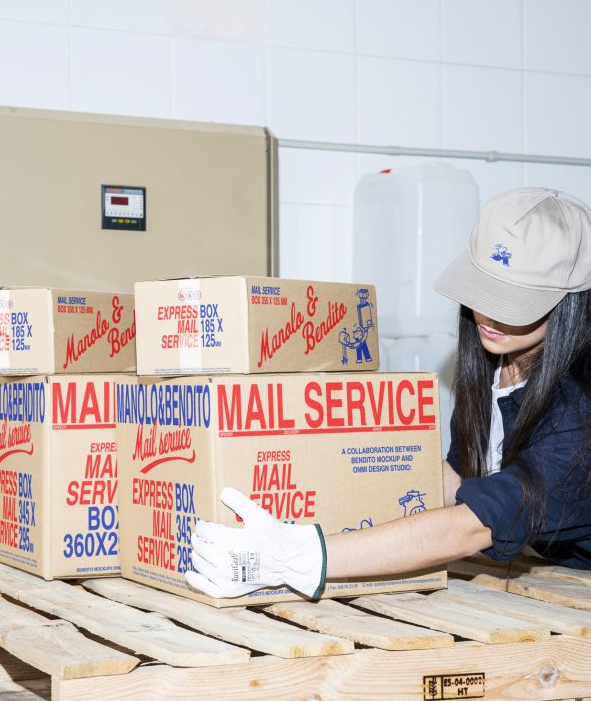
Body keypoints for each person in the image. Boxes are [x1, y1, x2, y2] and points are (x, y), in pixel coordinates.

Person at [186, 187, 591, 600]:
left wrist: (307, 557)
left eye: (514, 301)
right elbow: (456, 477)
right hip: (544, 570)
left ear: (570, 306)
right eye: (484, 291)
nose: (489, 315)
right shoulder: (494, 364)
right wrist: (314, 517)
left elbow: (476, 524)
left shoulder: (580, 413)